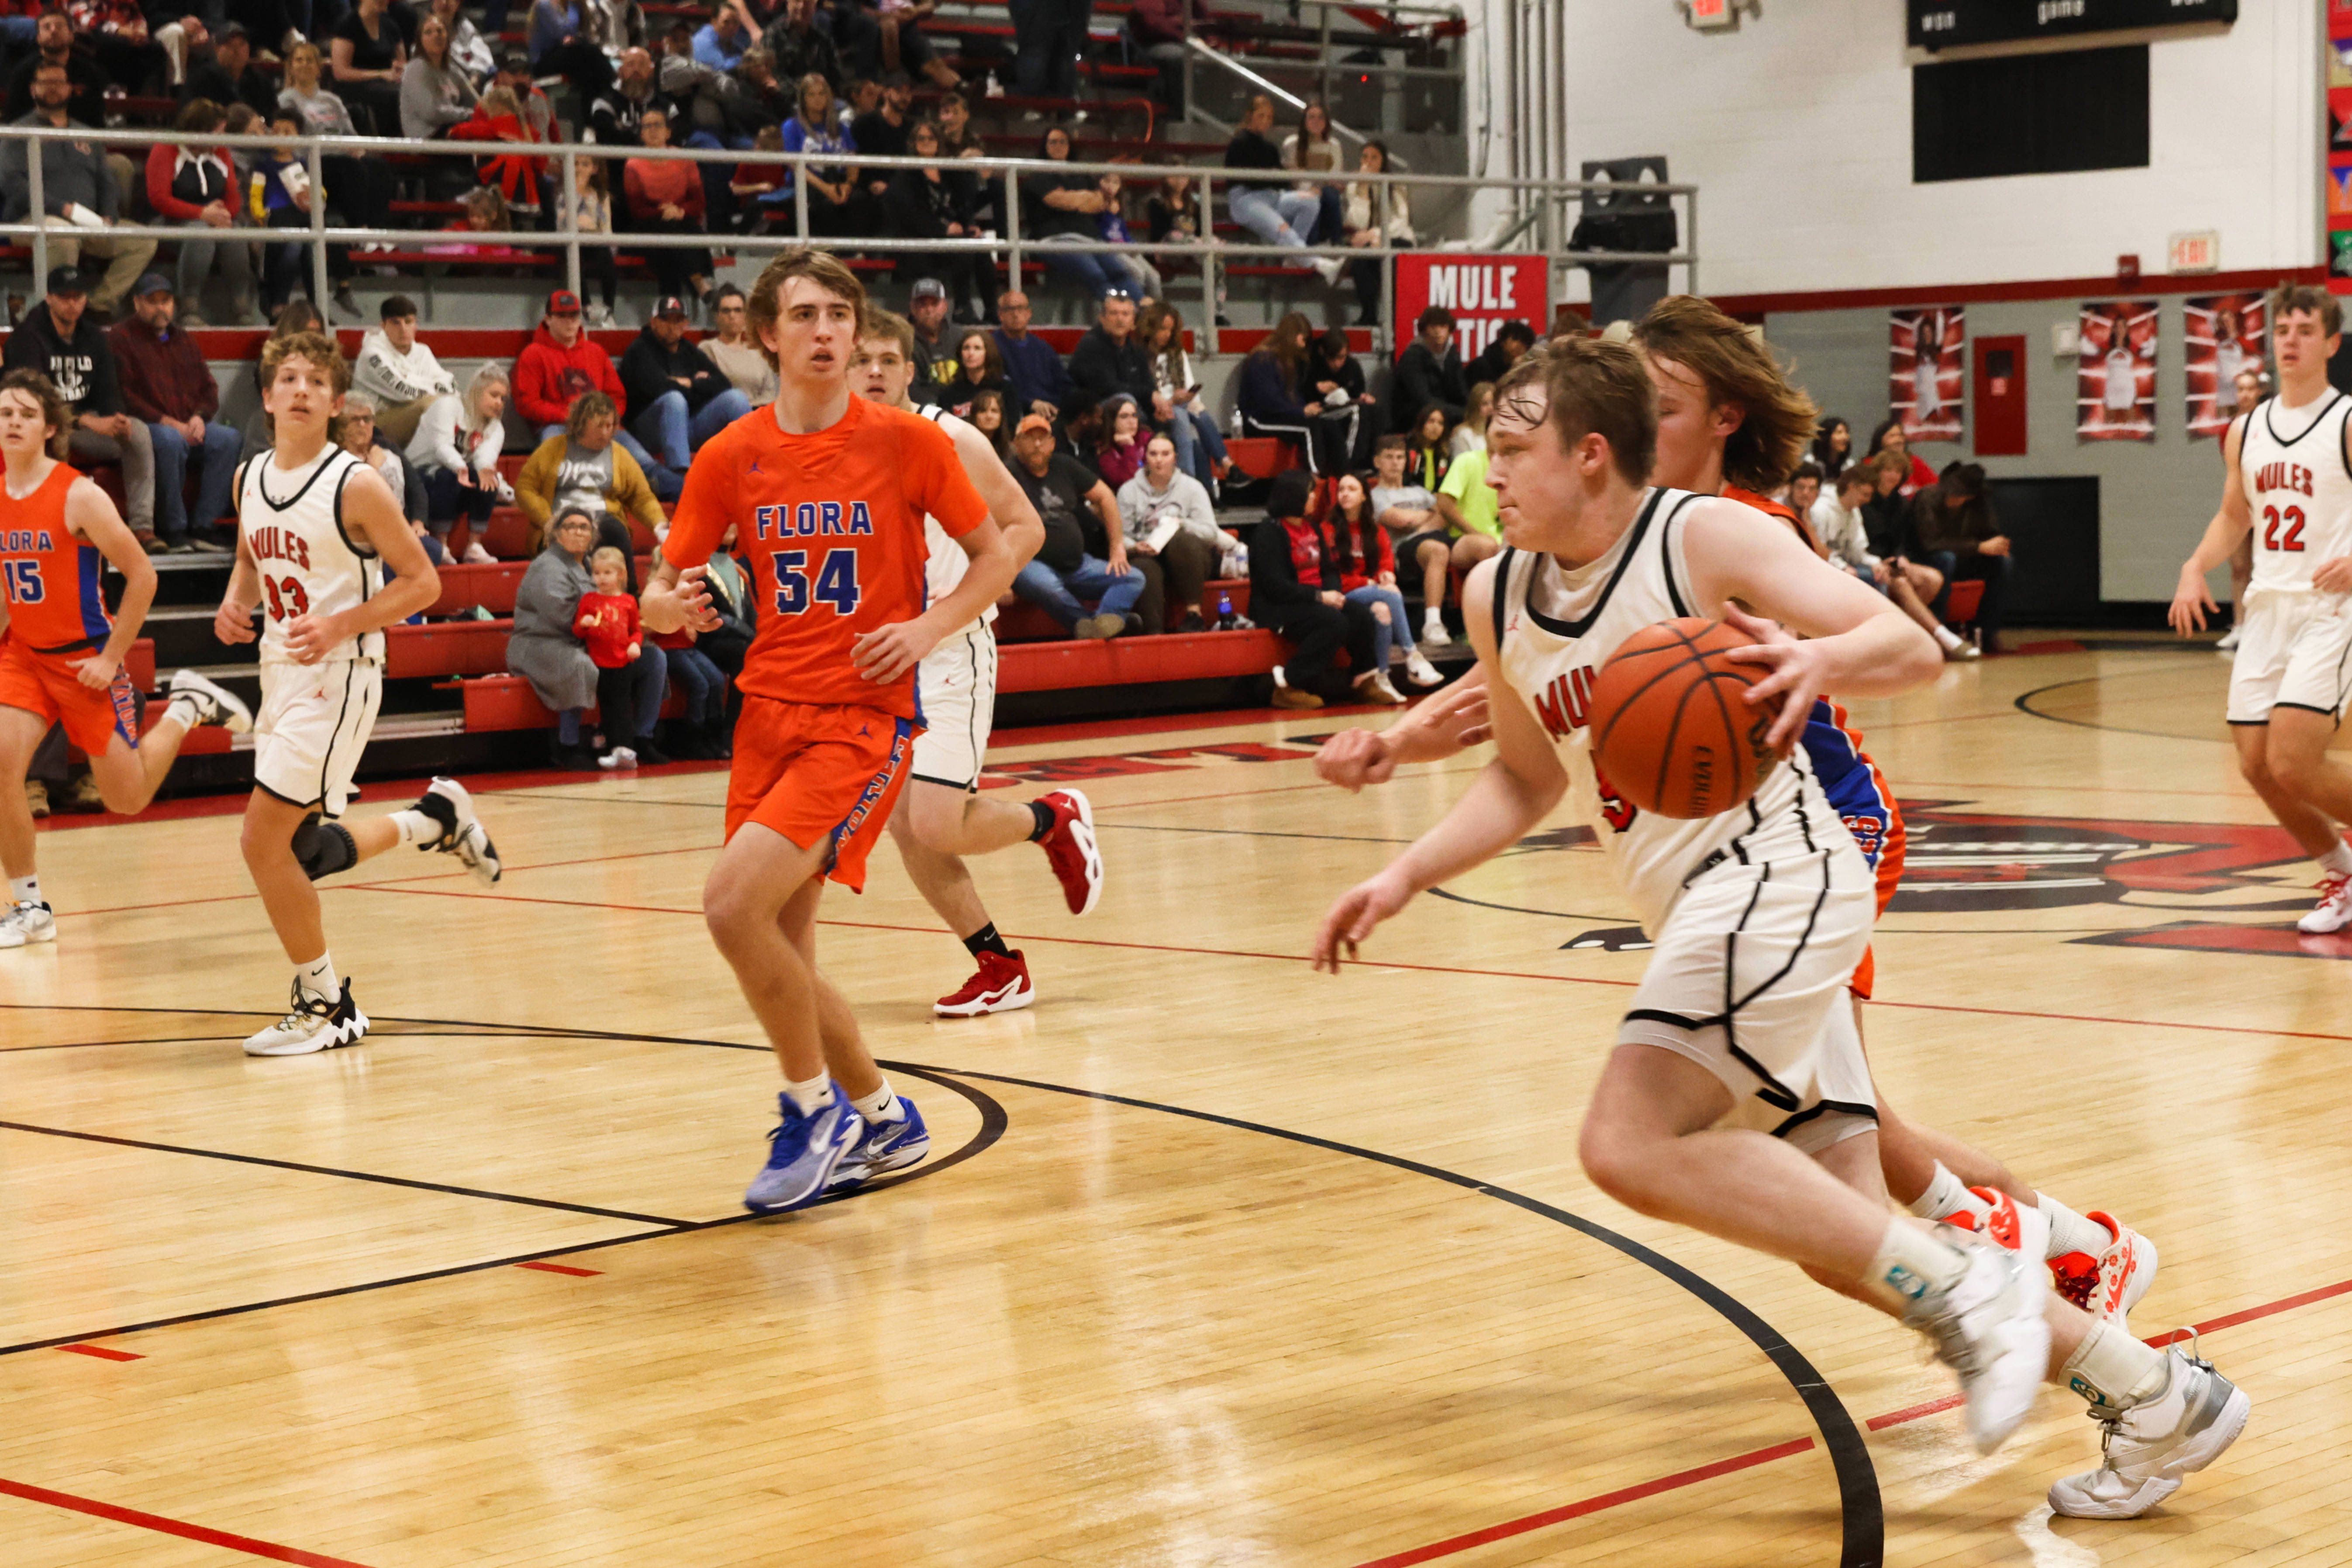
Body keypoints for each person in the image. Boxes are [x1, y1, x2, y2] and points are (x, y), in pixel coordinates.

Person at [1316, 337, 2239, 1522]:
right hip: (1700, 910)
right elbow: (1524, 774)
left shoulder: (1699, 536)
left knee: (1627, 1141)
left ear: (1588, 454)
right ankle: (2156, 1393)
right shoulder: (1493, 592)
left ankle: (1980, 1286)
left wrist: (1818, 654)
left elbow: (1908, 644)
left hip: (1781, 871)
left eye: (1509, 447)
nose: (1485, 472)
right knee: (1838, 1231)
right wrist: (1399, 874)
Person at [637, 249, 1017, 1211]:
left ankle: (816, 1113)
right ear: (767, 333)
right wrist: (667, 609)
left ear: (857, 333)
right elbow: (659, 588)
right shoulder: (731, 454)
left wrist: (929, 627)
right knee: (782, 947)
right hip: (766, 713)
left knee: (731, 907)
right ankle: (882, 1114)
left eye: (838, 315)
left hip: (861, 720)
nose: (824, 331)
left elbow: (995, 554)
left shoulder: (908, 442)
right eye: (804, 314)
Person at [215, 328, 503, 1056]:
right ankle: (433, 819)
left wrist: (341, 623)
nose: (302, 390)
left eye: (317, 381)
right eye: (289, 378)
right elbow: (250, 555)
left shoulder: (355, 484)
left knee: (260, 842)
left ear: (337, 401)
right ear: (267, 394)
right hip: (279, 670)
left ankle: (326, 1003)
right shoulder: (248, 476)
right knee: (301, 852)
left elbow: (425, 582)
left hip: (341, 675)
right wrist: (235, 601)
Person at [848, 310, 1106, 1018]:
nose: (875, 371)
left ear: (911, 370)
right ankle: (998, 966)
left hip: (950, 646)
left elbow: (1026, 527)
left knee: (933, 823)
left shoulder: (952, 437)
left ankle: (1050, 818)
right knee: (905, 827)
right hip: (884, 658)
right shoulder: (839, 445)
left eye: (888, 359)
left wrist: (947, 613)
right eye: (863, 359)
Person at [0, 369, 253, 948]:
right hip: (25, 657)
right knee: (1, 768)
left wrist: (112, 658)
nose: (13, 422)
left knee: (127, 797)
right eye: (5, 413)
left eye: (26, 414)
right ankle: (29, 906)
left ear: (49, 428)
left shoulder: (79, 494)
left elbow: (143, 576)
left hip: (85, 659)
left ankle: (187, 707)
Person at [2169, 285, 2352, 937]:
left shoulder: (2346, 421)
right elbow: (2233, 514)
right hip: (2268, 609)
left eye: (2304, 329)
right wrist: (2195, 566)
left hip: (2332, 608)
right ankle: (2342, 871)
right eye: (2282, 329)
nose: (2290, 340)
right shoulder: (2245, 430)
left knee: (2292, 761)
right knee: (2255, 765)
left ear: (2330, 343)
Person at [3, 268, 157, 551]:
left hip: (86, 425)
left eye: (78, 297)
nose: (72, 304)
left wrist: (116, 418)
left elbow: (108, 390)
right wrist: (85, 421)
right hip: (45, 425)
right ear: (49, 297)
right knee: (53, 436)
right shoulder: (28, 337)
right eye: (65, 297)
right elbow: (31, 400)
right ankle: (55, 525)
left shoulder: (94, 337)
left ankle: (143, 527)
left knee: (139, 433)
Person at [2, 61, 158, 317]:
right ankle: (54, 313)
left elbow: (106, 180)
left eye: (59, 83)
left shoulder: (86, 133)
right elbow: (13, 185)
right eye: (45, 83)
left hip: (87, 221)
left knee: (143, 240)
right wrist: (62, 208)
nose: (53, 88)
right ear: (33, 89)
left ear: (70, 89)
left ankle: (97, 306)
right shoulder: (17, 133)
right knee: (63, 233)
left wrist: (109, 215)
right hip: (34, 219)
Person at [510, 507, 655, 767]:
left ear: (593, 535)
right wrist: (609, 631)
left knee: (654, 659)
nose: (578, 532)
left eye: (584, 527)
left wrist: (622, 636)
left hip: (588, 638)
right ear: (556, 533)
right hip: (543, 643)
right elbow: (563, 618)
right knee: (579, 664)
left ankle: (641, 739)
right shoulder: (547, 566)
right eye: (570, 526)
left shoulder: (590, 564)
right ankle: (567, 746)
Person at [110, 274, 241, 553]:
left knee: (228, 439)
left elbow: (208, 388)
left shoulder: (183, 339)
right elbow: (125, 396)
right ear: (137, 303)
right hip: (148, 426)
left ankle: (205, 526)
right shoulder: (121, 338)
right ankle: (173, 529)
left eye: (166, 301)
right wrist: (168, 422)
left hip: (188, 423)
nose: (161, 308)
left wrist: (199, 418)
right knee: (170, 441)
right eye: (153, 301)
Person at [513, 290, 678, 498]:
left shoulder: (596, 352)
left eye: (574, 315)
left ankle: (682, 492)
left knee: (646, 463)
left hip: (602, 424)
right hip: (559, 426)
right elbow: (527, 403)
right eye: (562, 316)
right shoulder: (533, 354)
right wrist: (571, 416)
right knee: (554, 460)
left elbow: (617, 396)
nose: (569, 321)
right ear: (548, 319)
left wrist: (606, 419)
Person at [1249, 468, 1379, 710]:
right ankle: (1289, 684)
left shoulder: (1312, 527)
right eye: (1310, 492)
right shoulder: (1268, 532)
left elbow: (1329, 569)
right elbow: (1275, 586)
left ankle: (1364, 681)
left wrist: (1334, 592)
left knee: (1361, 615)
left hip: (1315, 600)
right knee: (1334, 622)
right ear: (1294, 496)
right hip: (1280, 606)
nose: (1314, 497)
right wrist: (1320, 597)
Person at [1006, 411, 1143, 638]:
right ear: (1017, 443)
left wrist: (1117, 546)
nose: (1037, 445)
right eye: (1030, 438)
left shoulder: (1065, 465)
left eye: (1043, 438)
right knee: (1046, 586)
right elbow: (990, 522)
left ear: (1052, 443)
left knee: (1133, 577)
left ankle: (1103, 622)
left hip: (1077, 565)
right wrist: (1001, 581)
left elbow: (1106, 497)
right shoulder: (1006, 474)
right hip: (1030, 562)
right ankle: (1090, 624)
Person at [1813, 459, 1965, 658]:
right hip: (1830, 569)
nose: (1867, 500)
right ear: (1851, 488)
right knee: (1887, 581)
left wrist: (1877, 563)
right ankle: (1902, 639)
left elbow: (1860, 551)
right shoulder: (1822, 510)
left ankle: (1904, 637)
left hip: (1863, 564)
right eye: (1865, 494)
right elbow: (1819, 552)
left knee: (1930, 578)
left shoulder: (1860, 510)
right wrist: (1844, 567)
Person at [1326, 469, 1440, 692]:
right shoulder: (1328, 530)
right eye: (1341, 490)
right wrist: (1369, 584)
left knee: (1383, 610)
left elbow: (1385, 561)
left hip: (1370, 592)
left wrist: (1386, 574)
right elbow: (1331, 575)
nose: (1345, 494)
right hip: (1341, 592)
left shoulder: (1375, 530)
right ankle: (1412, 655)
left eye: (1352, 489)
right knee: (1391, 593)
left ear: (1364, 496)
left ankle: (1382, 676)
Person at [145, 99, 257, 326]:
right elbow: (159, 199)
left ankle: (242, 307)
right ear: (200, 131)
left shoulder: (221, 152)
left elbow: (233, 196)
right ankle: (189, 307)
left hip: (213, 219)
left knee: (235, 235)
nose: (223, 137)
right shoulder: (166, 148)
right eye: (219, 131)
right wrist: (202, 214)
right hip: (171, 221)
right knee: (200, 234)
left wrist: (223, 216)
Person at [515, 390, 668, 555]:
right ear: (582, 424)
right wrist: (547, 520)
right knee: (572, 536)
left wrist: (659, 524)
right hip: (561, 520)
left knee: (615, 532)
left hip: (604, 522)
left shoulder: (621, 455)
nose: (606, 433)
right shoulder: (552, 448)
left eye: (610, 426)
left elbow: (642, 497)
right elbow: (525, 488)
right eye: (600, 426)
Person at [619, 294, 754, 471]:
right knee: (674, 400)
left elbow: (723, 384)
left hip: (688, 425)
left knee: (736, 398)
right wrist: (697, 389)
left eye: (678, 320)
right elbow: (658, 389)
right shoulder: (639, 350)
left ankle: (749, 468)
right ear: (654, 322)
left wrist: (690, 383)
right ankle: (681, 474)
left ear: (685, 324)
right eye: (666, 320)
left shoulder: (688, 349)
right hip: (648, 430)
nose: (672, 326)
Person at [1117, 431, 1234, 633]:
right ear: (1146, 458)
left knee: (1181, 541)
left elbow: (1210, 532)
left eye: (1165, 454)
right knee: (1143, 567)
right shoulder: (1128, 491)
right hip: (1147, 554)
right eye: (1154, 454)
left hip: (1190, 556)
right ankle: (1154, 634)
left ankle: (1194, 615)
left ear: (1175, 458)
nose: (1159, 460)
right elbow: (1120, 537)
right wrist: (1135, 547)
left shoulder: (1192, 488)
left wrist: (1181, 524)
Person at [1224, 93, 1338, 283]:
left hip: (1272, 196)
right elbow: (1246, 179)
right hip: (1246, 200)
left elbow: (1280, 181)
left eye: (1269, 117)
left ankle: (1294, 256)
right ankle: (1319, 264)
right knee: (1282, 228)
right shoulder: (1238, 144)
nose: (1266, 121)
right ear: (1250, 115)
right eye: (1261, 116)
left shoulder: (1270, 148)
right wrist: (1273, 174)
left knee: (1310, 201)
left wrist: (1285, 174)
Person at [1024, 124, 1143, 301]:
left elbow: (1101, 201)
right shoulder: (1038, 176)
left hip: (1090, 239)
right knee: (1097, 275)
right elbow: (1061, 201)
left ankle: (1144, 309)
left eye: (1063, 142)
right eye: (1053, 142)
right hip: (1055, 241)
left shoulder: (1081, 175)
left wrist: (1077, 199)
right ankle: (1118, 310)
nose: (1058, 146)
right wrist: (1085, 198)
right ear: (1045, 146)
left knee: (1122, 273)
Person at [884, 119, 987, 322]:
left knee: (979, 251)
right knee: (937, 256)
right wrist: (943, 229)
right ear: (913, 143)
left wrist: (970, 225)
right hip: (916, 238)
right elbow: (912, 216)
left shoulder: (948, 170)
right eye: (921, 138)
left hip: (949, 237)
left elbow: (964, 201)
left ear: (939, 141)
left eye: (931, 138)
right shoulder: (906, 175)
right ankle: (928, 317)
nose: (926, 142)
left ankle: (979, 310)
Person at [409, 361, 510, 554]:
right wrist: (460, 467)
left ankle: (475, 545)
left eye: (503, 399)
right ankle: (441, 544)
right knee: (448, 476)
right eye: (494, 395)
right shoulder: (449, 405)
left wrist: (485, 469)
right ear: (477, 392)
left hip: (455, 479)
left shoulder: (496, 428)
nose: (499, 402)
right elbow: (441, 446)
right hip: (420, 475)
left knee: (489, 478)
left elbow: (484, 456)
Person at [622, 107, 717, 310]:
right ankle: (700, 284)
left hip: (682, 220)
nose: (653, 130)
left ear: (668, 132)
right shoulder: (633, 164)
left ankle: (671, 305)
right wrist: (663, 212)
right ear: (641, 134)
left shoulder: (684, 159)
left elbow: (698, 202)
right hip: (649, 223)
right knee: (668, 233)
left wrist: (679, 211)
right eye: (647, 126)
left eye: (657, 125)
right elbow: (637, 209)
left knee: (681, 233)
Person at [1909, 461, 2010, 652]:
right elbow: (1931, 543)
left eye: (1960, 495)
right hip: (1926, 557)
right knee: (1946, 559)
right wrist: (1979, 547)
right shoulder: (1927, 498)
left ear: (1971, 496)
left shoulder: (1979, 502)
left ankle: (1985, 633)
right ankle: (1939, 630)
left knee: (2003, 562)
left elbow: (1990, 532)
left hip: (1965, 556)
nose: (1953, 499)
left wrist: (1998, 544)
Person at [1136, 300, 1229, 493]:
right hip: (1154, 410)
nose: (1167, 335)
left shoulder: (1177, 353)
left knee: (1197, 416)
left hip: (1179, 406)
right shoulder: (1140, 355)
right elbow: (1145, 394)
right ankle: (1191, 482)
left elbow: (1189, 389)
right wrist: (1172, 402)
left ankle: (1221, 470)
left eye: (1171, 330)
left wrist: (1186, 398)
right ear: (1151, 327)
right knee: (1182, 418)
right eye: (1163, 329)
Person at [1368, 433, 1452, 638]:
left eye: (1400, 457)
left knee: (1484, 545)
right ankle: (1432, 624)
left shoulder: (1419, 491)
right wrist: (1429, 515)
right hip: (1403, 551)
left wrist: (1420, 524)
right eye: (1389, 457)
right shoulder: (1375, 496)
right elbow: (1401, 520)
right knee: (1438, 550)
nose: (1395, 463)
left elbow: (1444, 516)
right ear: (1377, 462)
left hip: (1432, 538)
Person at [353, 295, 460, 451]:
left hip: (408, 416)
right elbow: (404, 392)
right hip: (374, 422)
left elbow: (451, 385)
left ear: (416, 325)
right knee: (433, 405)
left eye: (408, 322)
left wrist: (411, 379)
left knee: (457, 403)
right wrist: (432, 385)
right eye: (396, 323)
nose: (403, 329)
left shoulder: (422, 351)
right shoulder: (372, 355)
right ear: (384, 326)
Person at [573, 543, 645, 768]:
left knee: (623, 706)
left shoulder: (629, 601)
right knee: (607, 708)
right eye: (597, 573)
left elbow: (636, 631)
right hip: (599, 663)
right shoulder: (589, 600)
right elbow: (577, 631)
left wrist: (635, 645)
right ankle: (614, 748)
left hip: (622, 662)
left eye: (607, 573)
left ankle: (627, 749)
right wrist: (583, 625)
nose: (602, 578)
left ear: (620, 574)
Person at [778, 70, 868, 236]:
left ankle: (856, 250)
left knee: (860, 200)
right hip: (810, 185)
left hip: (839, 181)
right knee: (826, 207)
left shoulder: (841, 127)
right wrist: (826, 189)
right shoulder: (792, 127)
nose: (817, 99)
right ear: (803, 99)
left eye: (821, 94)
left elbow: (853, 160)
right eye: (811, 95)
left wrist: (849, 185)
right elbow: (795, 166)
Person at [2216, 366, 2266, 653]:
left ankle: (2265, 629)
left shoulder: (2270, 423)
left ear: (2258, 392)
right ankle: (2239, 626)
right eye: (2241, 389)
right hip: (2240, 504)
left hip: (2266, 503)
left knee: (2266, 567)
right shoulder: (2229, 429)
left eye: (2250, 389)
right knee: (2238, 567)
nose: (2245, 394)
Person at [1068, 287, 1155, 416]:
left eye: (1125, 314)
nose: (1120, 319)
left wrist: (1159, 401)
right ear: (1102, 319)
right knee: (1125, 402)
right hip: (1093, 412)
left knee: (1171, 409)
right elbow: (1108, 388)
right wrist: (1149, 394)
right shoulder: (1091, 345)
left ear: (1133, 321)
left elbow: (1149, 385)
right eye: (1114, 313)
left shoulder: (1136, 350)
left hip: (1130, 408)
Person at [328, 0, 407, 135]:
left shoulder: (390, 25)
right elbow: (340, 72)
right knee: (392, 95)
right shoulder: (347, 25)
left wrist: (399, 69)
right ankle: (390, 143)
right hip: (354, 86)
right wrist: (380, 74)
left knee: (410, 90)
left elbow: (402, 61)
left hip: (387, 81)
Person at [993, 289, 1071, 424]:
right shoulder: (992, 347)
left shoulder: (1043, 348)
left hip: (1053, 413)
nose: (1016, 314)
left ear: (1029, 313)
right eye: (1010, 309)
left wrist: (1058, 408)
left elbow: (1065, 384)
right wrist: (1031, 404)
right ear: (1000, 315)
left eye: (1021, 308)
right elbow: (997, 388)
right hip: (1016, 416)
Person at [1304, 326, 1374, 473]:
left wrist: (1363, 397)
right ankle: (1350, 466)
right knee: (1356, 411)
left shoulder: (1352, 366)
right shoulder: (1311, 365)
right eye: (1332, 359)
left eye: (1342, 357)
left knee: (1375, 412)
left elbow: (1358, 392)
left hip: (1342, 407)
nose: (1337, 364)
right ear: (1323, 353)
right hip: (1318, 410)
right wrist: (1316, 388)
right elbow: (1300, 393)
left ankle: (1372, 464)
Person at [400, 12, 479, 141]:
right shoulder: (416, 68)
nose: (436, 35)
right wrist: (470, 115)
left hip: (449, 128)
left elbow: (476, 102)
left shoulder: (452, 70)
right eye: (428, 32)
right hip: (426, 138)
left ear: (448, 37)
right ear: (420, 41)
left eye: (440, 31)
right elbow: (432, 113)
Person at [1280, 97, 1345, 245]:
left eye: (1321, 118)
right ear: (1305, 121)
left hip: (1325, 192)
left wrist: (1318, 189)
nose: (1317, 122)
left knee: (1331, 194)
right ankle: (1311, 246)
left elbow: (1334, 177)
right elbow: (1294, 177)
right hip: (1300, 192)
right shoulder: (1292, 143)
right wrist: (1312, 190)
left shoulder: (1334, 145)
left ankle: (1338, 244)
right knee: (1311, 200)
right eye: (1312, 117)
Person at [1393, 304, 1466, 431]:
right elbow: (1423, 400)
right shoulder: (1412, 357)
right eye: (1433, 327)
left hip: (1447, 414)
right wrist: (1462, 414)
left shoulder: (1452, 356)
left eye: (1443, 327)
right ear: (1424, 330)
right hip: (1415, 418)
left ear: (1450, 330)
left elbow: (1461, 392)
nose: (1438, 332)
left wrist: (1473, 411)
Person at [705, 284, 779, 404]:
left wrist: (751, 409)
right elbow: (708, 391)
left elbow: (769, 393)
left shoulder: (758, 353)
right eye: (726, 311)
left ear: (745, 316)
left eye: (738, 310)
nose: (732, 316)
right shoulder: (709, 349)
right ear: (717, 316)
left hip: (757, 411)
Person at [934, 327, 1006, 420]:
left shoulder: (1004, 388)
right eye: (966, 348)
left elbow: (1012, 424)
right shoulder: (948, 394)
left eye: (977, 348)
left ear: (989, 353)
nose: (971, 353)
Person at [1867, 415, 1937, 496]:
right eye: (1893, 436)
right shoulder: (1870, 464)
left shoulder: (1914, 461)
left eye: (1901, 436)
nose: (1899, 440)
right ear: (1881, 440)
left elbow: (1935, 487)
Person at [1090, 393, 1146, 489]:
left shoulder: (1148, 440)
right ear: (1112, 422)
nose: (1132, 421)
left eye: (1134, 416)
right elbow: (1129, 484)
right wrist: (1129, 446)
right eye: (1124, 416)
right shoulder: (1105, 452)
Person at [1450, 381, 1494, 457]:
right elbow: (1461, 462)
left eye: (1493, 403)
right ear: (1475, 407)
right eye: (1485, 404)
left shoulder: (1498, 433)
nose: (1491, 408)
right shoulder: (1464, 435)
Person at [1811, 414, 1852, 483]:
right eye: (1839, 433)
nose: (1845, 437)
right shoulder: (1812, 463)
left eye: (1846, 432)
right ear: (1827, 437)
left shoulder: (1849, 466)